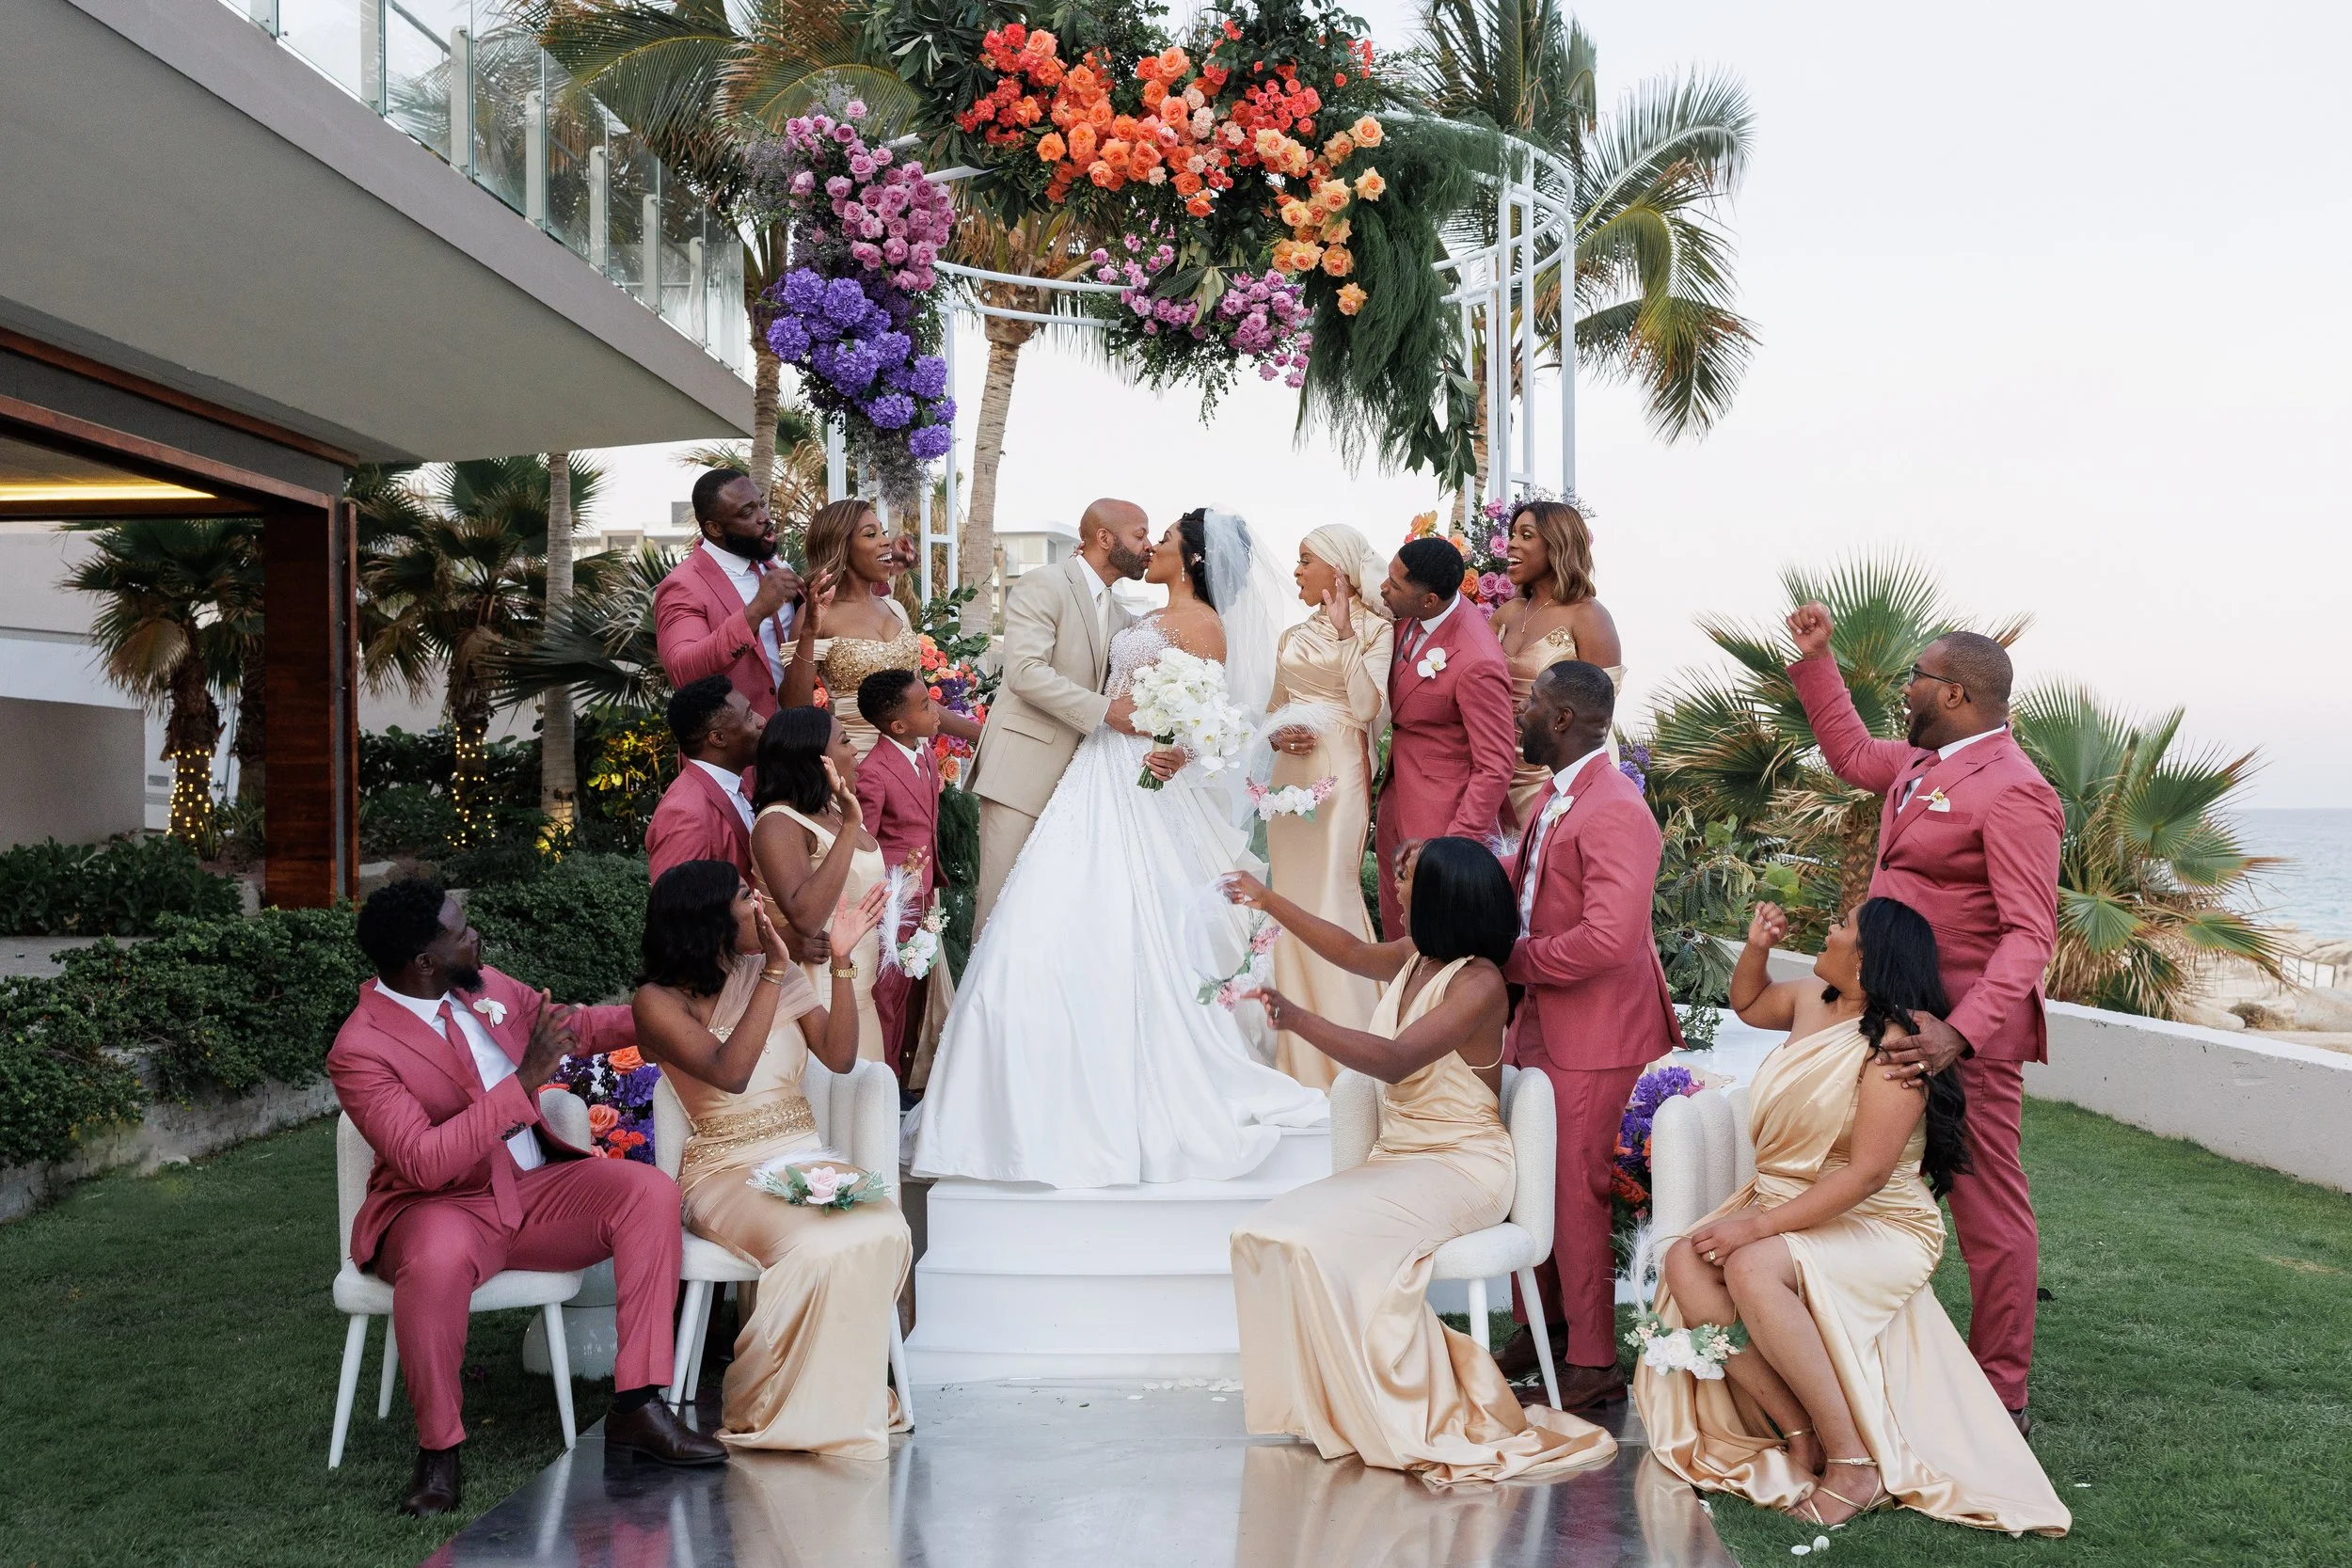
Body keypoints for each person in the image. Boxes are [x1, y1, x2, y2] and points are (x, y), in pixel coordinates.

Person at [914, 510, 1327, 1189]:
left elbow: (1211, 713)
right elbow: (1056, 679)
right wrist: (1126, 721)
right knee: (1040, 927)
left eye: (1163, 539)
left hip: (1137, 778)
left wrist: (1182, 748)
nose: (1153, 545)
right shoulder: (1117, 609)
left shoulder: (1203, 627)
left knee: (1136, 924)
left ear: (1192, 559)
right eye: (1147, 535)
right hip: (1093, 767)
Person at [1636, 896, 2069, 1536]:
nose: (1828, 929)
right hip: (1788, 1203)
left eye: (1841, 925)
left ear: (1868, 958)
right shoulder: (1814, 997)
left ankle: (1853, 1463)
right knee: (1684, 1259)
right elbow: (1752, 1003)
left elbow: (1867, 1174)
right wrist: (1755, 946)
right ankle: (1799, 1430)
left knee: (1751, 1265)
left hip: (1878, 1216)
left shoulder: (1897, 1041)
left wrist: (1756, 1226)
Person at [1221, 837, 1618, 1484]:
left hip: (1464, 1167)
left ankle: (1387, 1403)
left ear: (1441, 897)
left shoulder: (1479, 983)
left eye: (1408, 878)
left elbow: (1397, 1058)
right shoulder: (1418, 956)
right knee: (1267, 1233)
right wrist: (1268, 900)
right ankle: (1324, 1405)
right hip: (1398, 1159)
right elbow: (1348, 950)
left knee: (1313, 1241)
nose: (1396, 885)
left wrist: (1296, 1018)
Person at [328, 879, 724, 1516]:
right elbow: (424, 1161)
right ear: (424, 960)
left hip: (534, 1189)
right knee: (431, 1264)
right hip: (439, 1205)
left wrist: (671, 1013)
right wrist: (524, 1081)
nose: (474, 935)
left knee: (646, 1193)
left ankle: (638, 1405)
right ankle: (439, 1451)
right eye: (460, 930)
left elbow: (573, 1026)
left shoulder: (480, 985)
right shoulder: (360, 1047)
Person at [1784, 602, 2063, 1430]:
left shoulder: (2017, 791)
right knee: (1871, 1182)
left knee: (1986, 1205)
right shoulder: (1916, 763)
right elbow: (1849, 752)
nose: (1904, 687)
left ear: (1955, 695)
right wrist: (1817, 659)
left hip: (1963, 1034)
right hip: (1893, 1017)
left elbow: (2028, 934)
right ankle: (1867, 1352)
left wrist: (1961, 1029)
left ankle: (2000, 1388)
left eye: (1915, 677)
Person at [631, 861, 912, 1457]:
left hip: (801, 1151)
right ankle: (768, 1402)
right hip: (725, 1168)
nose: (758, 899)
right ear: (708, 918)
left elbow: (838, 1059)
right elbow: (730, 1074)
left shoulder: (773, 972)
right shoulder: (657, 1001)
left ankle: (837, 1398)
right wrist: (773, 975)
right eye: (742, 895)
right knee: (815, 1245)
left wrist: (837, 959)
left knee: (882, 1223)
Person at [1493, 659, 1683, 1408]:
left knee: (1573, 1185)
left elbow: (1608, 937)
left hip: (1593, 1026)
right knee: (1527, 1171)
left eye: (1532, 702)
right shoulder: (1558, 792)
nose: (1522, 713)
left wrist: (1516, 958)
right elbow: (1535, 879)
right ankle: (1543, 1323)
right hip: (1542, 1016)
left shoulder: (1615, 807)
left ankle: (1592, 1358)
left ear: (1563, 718)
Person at [966, 498, 1152, 935]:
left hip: (1082, 789)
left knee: (1049, 925)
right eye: (1140, 535)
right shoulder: (1043, 584)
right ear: (1104, 538)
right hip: (1020, 777)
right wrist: (1106, 711)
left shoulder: (1124, 615)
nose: (1148, 546)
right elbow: (1025, 673)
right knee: (1000, 916)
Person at [1255, 525, 1395, 1087]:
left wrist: (1343, 636)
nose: (1296, 570)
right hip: (1292, 772)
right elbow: (1273, 708)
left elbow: (1366, 708)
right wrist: (1277, 736)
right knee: (1289, 900)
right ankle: (1296, 1056)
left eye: (1305, 560)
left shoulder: (1377, 631)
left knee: (1330, 895)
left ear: (1338, 570)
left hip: (1339, 771)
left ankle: (1356, 1054)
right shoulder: (1290, 634)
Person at [1372, 536, 1516, 939]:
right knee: (1395, 926)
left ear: (1430, 600)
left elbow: (1495, 765)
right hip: (1396, 793)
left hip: (1441, 814)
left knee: (1429, 934)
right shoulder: (1408, 612)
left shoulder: (1477, 660)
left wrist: (1455, 848)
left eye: (1395, 586)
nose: (1384, 589)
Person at [779, 498, 983, 759]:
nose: (886, 541)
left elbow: (921, 703)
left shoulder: (896, 609)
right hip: (857, 766)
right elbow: (794, 707)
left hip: (912, 762)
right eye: (871, 535)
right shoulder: (816, 615)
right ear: (841, 547)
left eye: (883, 532)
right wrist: (808, 633)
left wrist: (982, 735)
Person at [750, 706, 889, 1063]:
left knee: (869, 1106)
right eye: (844, 741)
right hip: (819, 990)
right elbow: (807, 918)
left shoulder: (834, 809)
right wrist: (849, 825)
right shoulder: (778, 824)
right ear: (814, 757)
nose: (855, 749)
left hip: (861, 991)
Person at [1488, 499, 1625, 835]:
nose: (1512, 543)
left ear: (1557, 545)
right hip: (1496, 774)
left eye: (1526, 535)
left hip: (1555, 781)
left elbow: (1598, 716)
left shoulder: (1589, 617)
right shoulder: (1506, 614)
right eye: (1512, 534)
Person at [654, 468, 806, 720]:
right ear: (714, 528)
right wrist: (755, 612)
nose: (764, 517)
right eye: (747, 513)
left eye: (762, 504)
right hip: (740, 749)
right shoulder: (684, 585)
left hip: (799, 740)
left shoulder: (771, 563)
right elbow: (683, 670)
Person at [645, 674, 762, 884]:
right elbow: (675, 909)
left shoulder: (738, 784)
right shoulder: (685, 815)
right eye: (749, 716)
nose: (762, 721)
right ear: (718, 738)